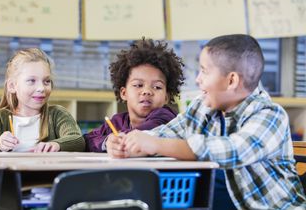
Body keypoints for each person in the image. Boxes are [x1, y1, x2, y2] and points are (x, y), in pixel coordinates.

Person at [108, 34, 306, 209]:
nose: (198, 80)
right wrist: (129, 142)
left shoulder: (270, 115)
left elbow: (231, 151)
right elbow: (166, 133)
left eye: (204, 71)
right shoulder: (202, 106)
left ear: (231, 81)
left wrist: (155, 144)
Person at [0, 48, 85, 152]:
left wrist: (57, 144)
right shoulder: (1, 117)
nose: (41, 88)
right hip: (12, 173)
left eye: (46, 81)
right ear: (12, 86)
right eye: (32, 81)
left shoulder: (57, 114)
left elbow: (78, 140)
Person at [84, 38, 184, 152]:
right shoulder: (118, 121)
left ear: (166, 97)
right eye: (138, 85)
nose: (147, 91)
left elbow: (140, 135)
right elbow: (87, 140)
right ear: (124, 93)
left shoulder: (165, 117)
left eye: (157, 87)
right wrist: (107, 141)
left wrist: (116, 140)